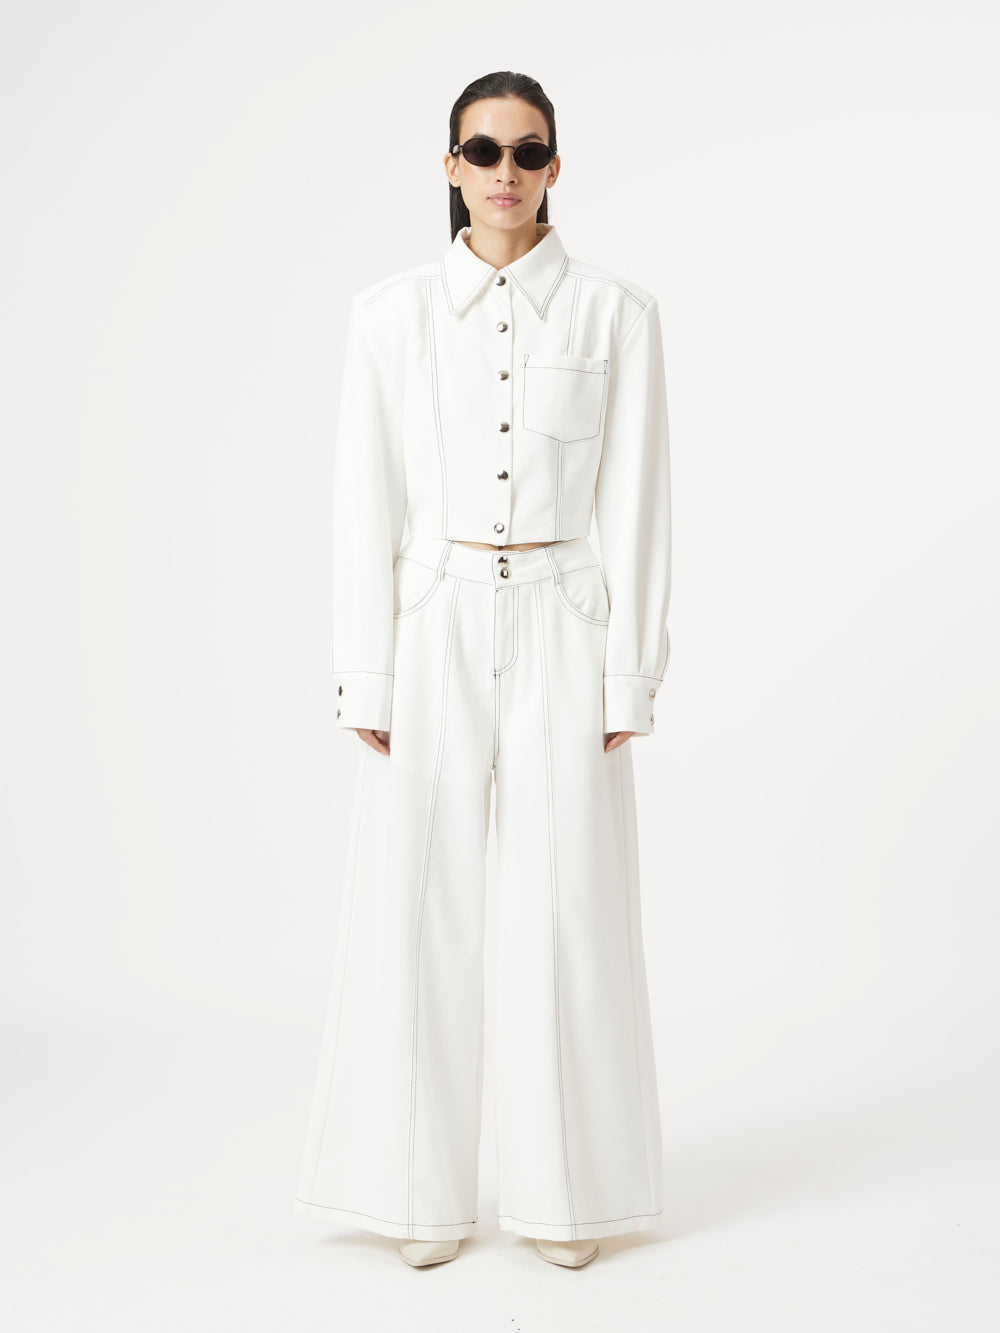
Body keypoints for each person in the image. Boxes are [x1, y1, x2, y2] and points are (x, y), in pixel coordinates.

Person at [293, 69, 672, 1270]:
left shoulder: (616, 315)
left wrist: (627, 675)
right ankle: (416, 1197)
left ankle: (567, 1201)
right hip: (433, 622)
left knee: (568, 906)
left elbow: (638, 502)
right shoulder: (388, 317)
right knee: (418, 907)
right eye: (483, 150)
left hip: (564, 618)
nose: (505, 172)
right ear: (450, 165)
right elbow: (364, 499)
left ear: (556, 167)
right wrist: (366, 674)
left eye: (528, 151)